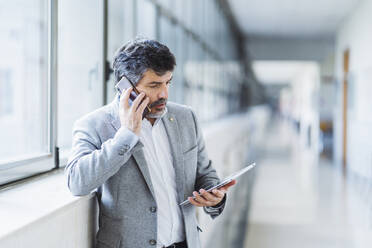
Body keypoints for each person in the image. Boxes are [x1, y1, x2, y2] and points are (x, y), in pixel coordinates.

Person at [65, 38, 236, 248]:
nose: (164, 94)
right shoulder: (95, 125)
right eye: (154, 85)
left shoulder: (185, 117)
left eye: (168, 83)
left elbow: (205, 173)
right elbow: (77, 182)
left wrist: (214, 197)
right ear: (125, 86)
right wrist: (126, 135)